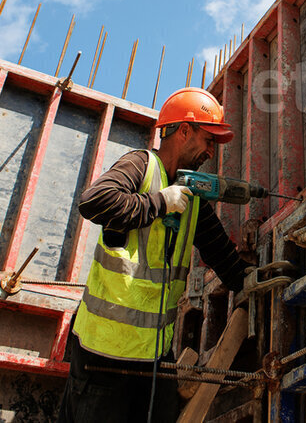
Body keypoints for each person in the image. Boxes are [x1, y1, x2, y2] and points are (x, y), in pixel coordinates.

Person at [58, 87, 248, 422]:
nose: (210, 152)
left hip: (154, 357)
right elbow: (94, 201)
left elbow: (221, 253)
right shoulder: (141, 165)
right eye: (208, 140)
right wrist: (159, 203)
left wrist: (252, 279)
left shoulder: (191, 194)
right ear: (184, 130)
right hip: (102, 356)